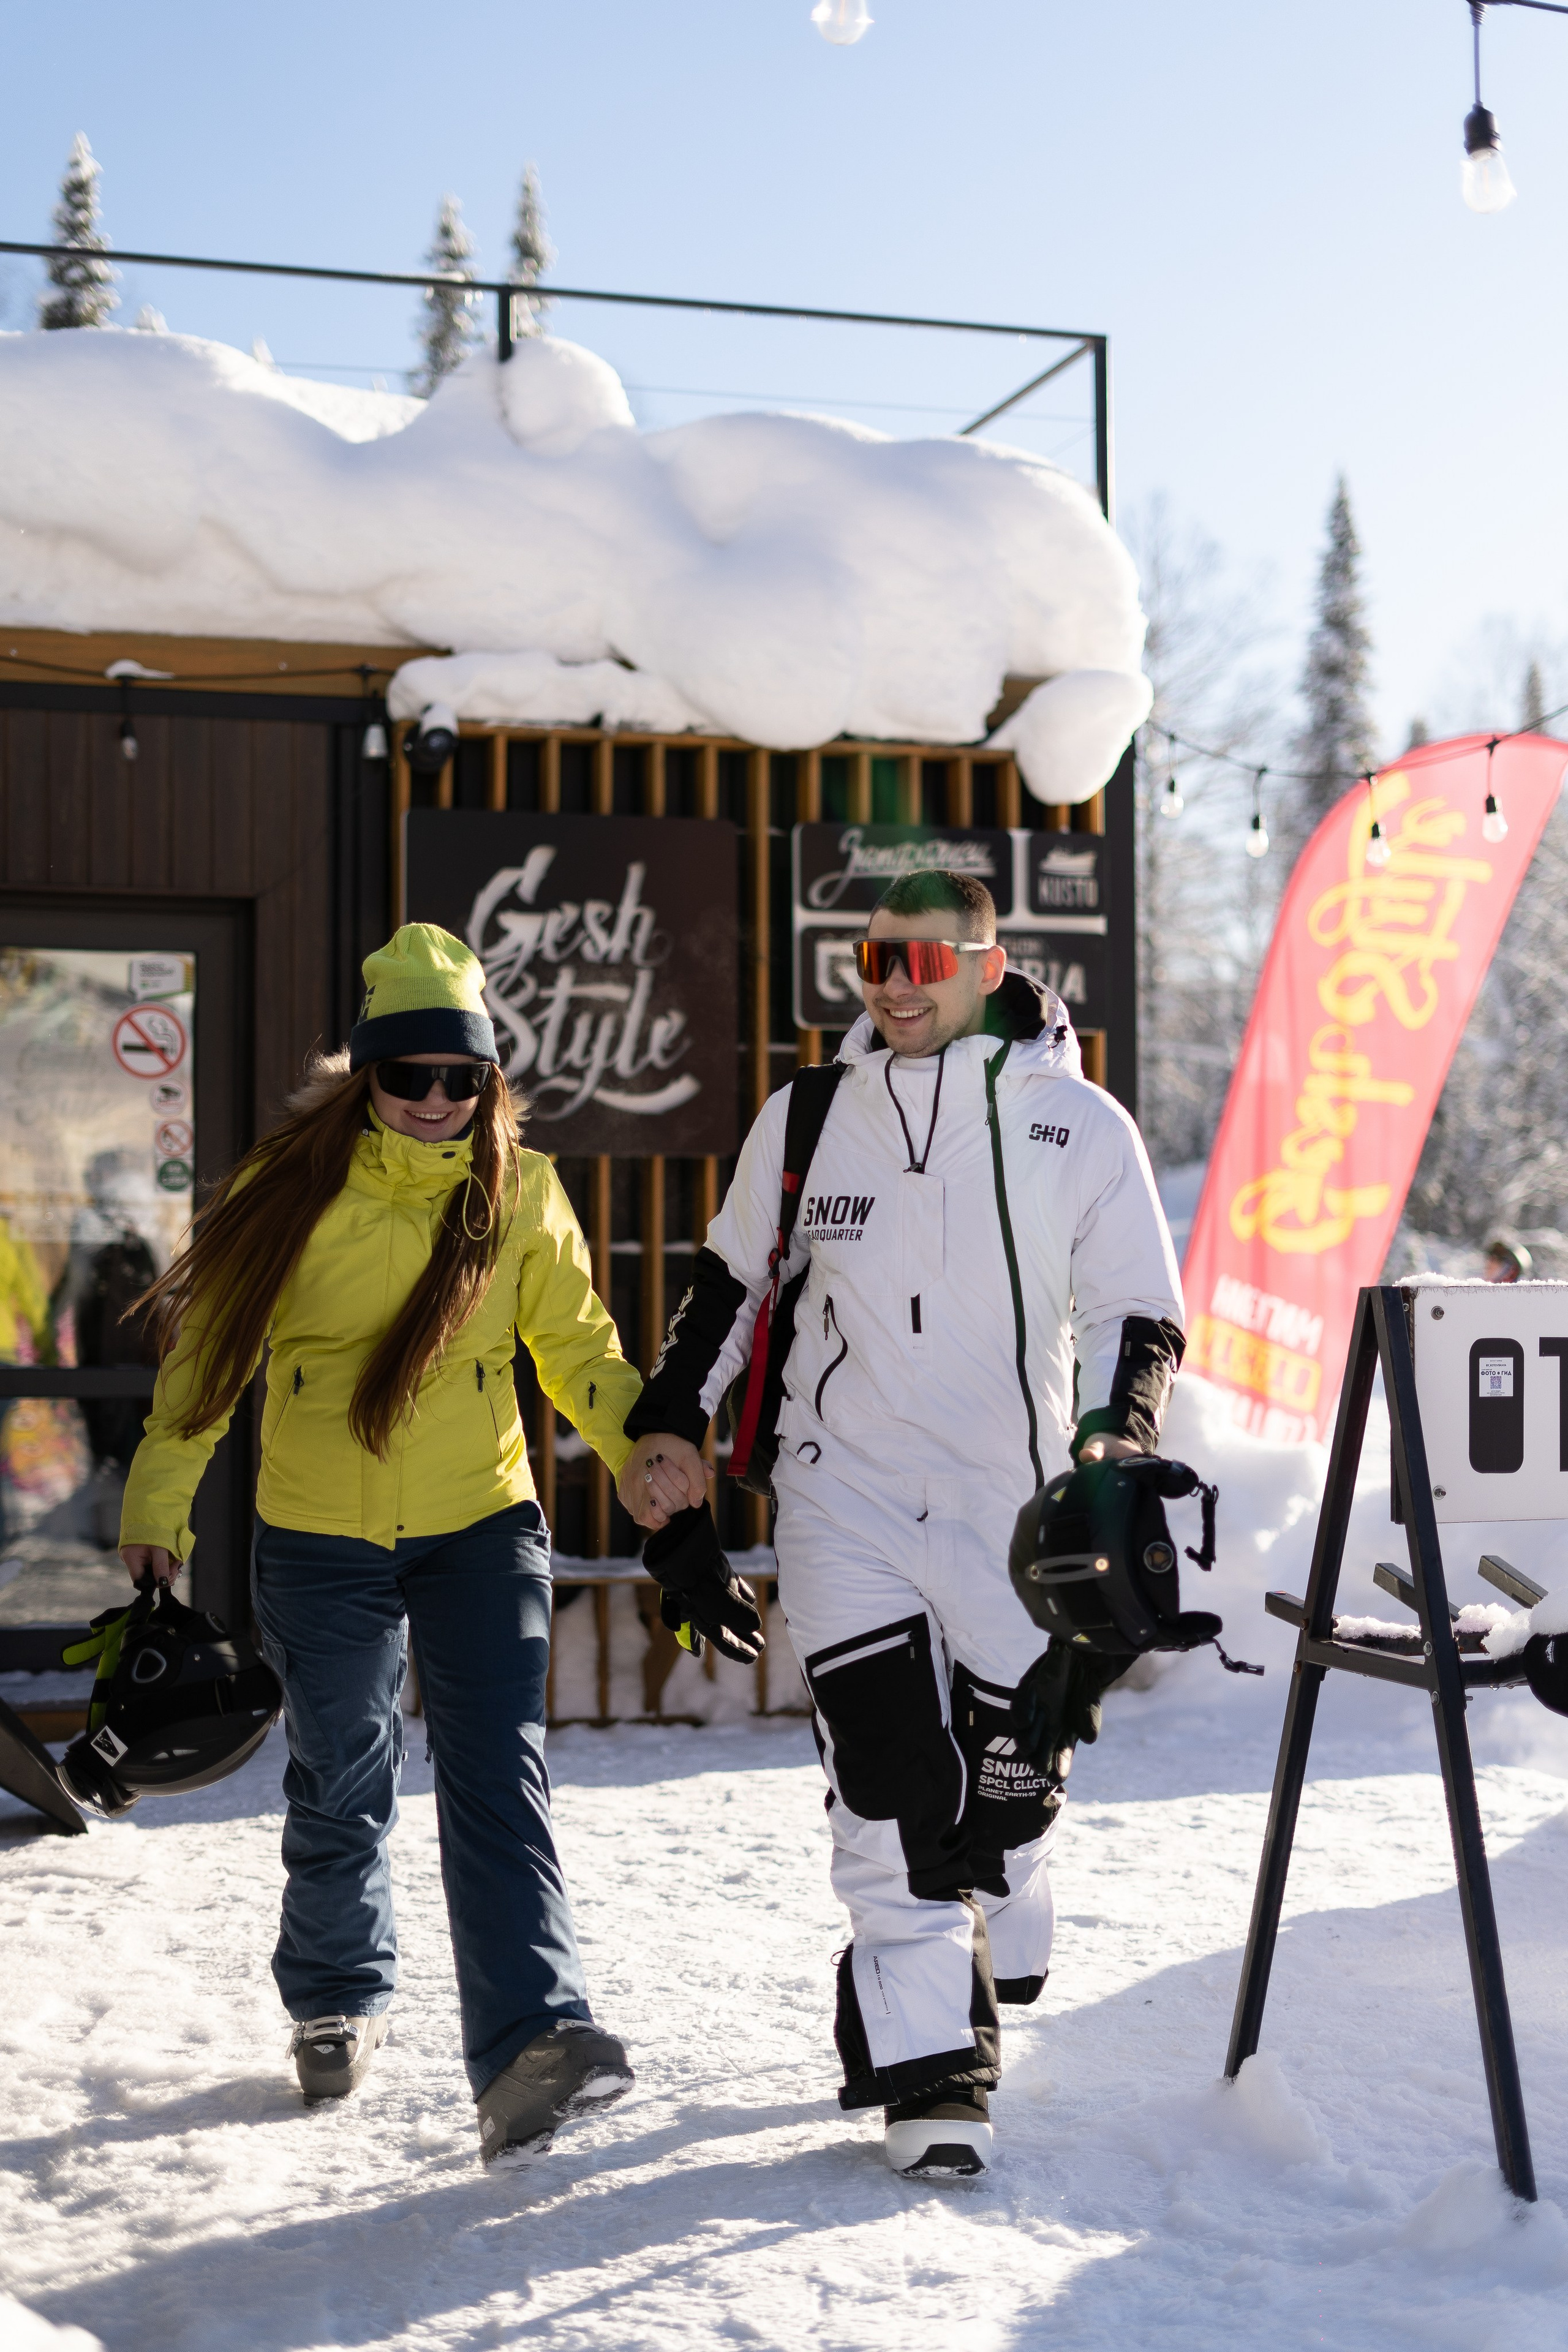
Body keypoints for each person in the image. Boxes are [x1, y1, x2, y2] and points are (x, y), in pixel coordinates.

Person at [618, 869, 1184, 2180]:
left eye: (926, 960)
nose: (894, 982)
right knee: (884, 1790)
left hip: (1014, 1507)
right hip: (844, 1497)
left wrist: (1112, 1448)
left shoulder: (1076, 1124)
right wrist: (668, 1431)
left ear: (989, 968)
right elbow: (728, 1290)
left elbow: (1133, 1314)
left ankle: (1017, 1859)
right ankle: (934, 2075)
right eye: (876, 956)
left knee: (1001, 1787)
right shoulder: (809, 1115)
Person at [118, 924, 655, 2164]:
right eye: (407, 1075)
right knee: (345, 1770)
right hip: (319, 1534)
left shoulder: (516, 1190)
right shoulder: (289, 1191)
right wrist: (161, 1504)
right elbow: (209, 1362)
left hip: (479, 1519)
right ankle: (333, 1991)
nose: (433, 1100)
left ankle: (530, 2047)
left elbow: (578, 1352)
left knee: (494, 1773)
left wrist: (642, 1453)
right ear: (365, 1075)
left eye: (458, 1078)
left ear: (488, 1083)